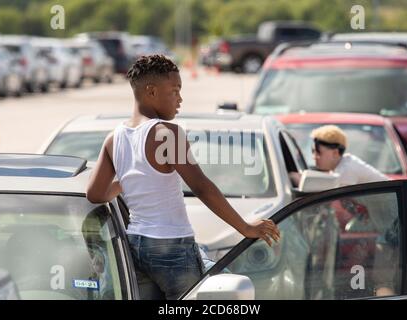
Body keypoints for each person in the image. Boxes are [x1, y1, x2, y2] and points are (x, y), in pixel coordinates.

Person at [86, 54, 280, 300]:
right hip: (171, 246)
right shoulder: (167, 133)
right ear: (151, 91)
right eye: (175, 91)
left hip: (135, 245)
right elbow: (201, 187)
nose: (180, 99)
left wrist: (129, 181)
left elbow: (94, 194)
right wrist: (244, 227)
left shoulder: (114, 138)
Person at [290, 125, 407, 299]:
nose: (314, 157)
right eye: (312, 152)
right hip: (389, 223)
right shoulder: (340, 169)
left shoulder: (348, 169)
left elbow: (324, 186)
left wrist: (297, 177)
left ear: (335, 153)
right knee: (382, 279)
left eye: (318, 152)